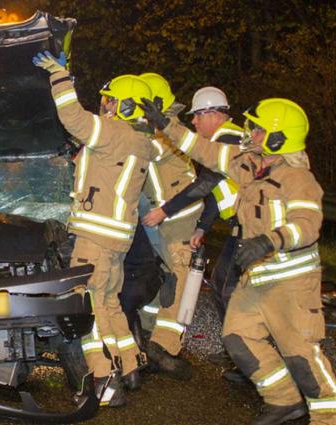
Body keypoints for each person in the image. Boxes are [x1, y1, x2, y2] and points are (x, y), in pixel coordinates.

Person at [142, 98, 336, 425]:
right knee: (237, 338)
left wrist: (271, 240)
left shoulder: (299, 180)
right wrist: (168, 127)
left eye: (258, 128)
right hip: (256, 278)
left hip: (290, 282)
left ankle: (331, 418)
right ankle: (284, 401)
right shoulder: (248, 163)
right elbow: (203, 150)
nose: (249, 132)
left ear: (278, 137)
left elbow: (307, 225)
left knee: (301, 357)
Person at [34, 50, 156, 407]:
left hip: (94, 238)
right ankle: (131, 366)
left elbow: (72, 117)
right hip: (116, 239)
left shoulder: (114, 132)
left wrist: (58, 76)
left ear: (126, 107)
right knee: (110, 304)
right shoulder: (140, 140)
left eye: (111, 101)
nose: (105, 106)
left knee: (89, 309)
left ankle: (105, 381)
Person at [141, 87, 245, 374]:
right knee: (225, 288)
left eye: (197, 117)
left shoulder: (229, 139)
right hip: (242, 228)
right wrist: (203, 226)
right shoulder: (221, 140)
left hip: (255, 229)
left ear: (212, 114)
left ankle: (248, 355)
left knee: (236, 292)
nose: (195, 123)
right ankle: (240, 353)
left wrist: (164, 210)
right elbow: (215, 191)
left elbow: (204, 184)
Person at [134, 73, 203, 381]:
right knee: (162, 280)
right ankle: (150, 338)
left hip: (178, 223)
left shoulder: (161, 136)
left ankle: (163, 346)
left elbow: (138, 153)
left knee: (176, 283)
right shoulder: (167, 131)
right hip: (170, 220)